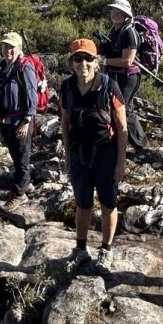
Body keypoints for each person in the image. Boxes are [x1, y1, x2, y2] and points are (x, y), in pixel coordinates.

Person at [59, 38, 127, 268]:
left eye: (88, 58)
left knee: (108, 203)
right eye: (78, 59)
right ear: (71, 63)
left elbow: (122, 128)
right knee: (83, 203)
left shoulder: (109, 86)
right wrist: (68, 156)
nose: (83, 64)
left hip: (106, 152)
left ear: (96, 62)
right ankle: (81, 249)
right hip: (79, 152)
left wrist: (120, 163)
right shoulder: (67, 87)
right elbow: (65, 123)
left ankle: (106, 250)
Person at [0, 31, 40, 197]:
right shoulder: (2, 67)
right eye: (4, 46)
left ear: (19, 48)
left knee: (22, 155)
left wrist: (26, 121)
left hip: (20, 119)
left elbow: (32, 95)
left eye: (11, 47)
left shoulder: (25, 67)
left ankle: (20, 193)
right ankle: (25, 183)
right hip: (6, 119)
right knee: (14, 154)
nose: (7, 50)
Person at [98, 0, 148, 149]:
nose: (115, 15)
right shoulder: (114, 31)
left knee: (123, 109)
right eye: (113, 12)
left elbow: (127, 61)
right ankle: (128, 144)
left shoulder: (130, 33)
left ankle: (141, 146)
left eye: (119, 12)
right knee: (118, 108)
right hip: (115, 76)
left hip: (128, 77)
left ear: (126, 14)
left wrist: (105, 61)